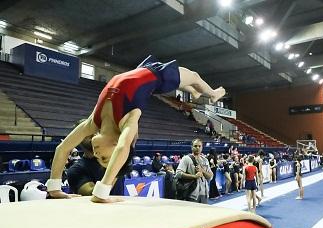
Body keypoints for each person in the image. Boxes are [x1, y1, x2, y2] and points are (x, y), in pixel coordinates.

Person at [45, 55, 225, 203]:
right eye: (105, 157)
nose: (97, 154)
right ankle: (214, 94)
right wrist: (102, 192)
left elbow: (63, 148)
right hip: (156, 76)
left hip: (138, 71)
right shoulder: (128, 120)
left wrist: (54, 188)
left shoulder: (94, 122)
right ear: (116, 144)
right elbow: (124, 148)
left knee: (187, 82)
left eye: (99, 158)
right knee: (193, 76)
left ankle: (193, 92)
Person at [175, 138, 213, 204]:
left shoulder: (205, 160)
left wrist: (203, 171)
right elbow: (178, 174)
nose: (197, 148)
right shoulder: (186, 159)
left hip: (204, 193)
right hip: (191, 193)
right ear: (192, 147)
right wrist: (194, 176)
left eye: (199, 146)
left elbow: (210, 176)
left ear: (202, 147)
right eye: (195, 146)